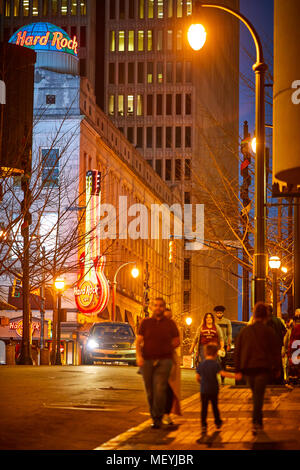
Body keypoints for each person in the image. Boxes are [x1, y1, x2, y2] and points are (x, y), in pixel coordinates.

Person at [235, 302, 282, 435]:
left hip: (248, 368)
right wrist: (277, 368)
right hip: (262, 368)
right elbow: (275, 352)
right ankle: (257, 421)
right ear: (266, 315)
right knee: (258, 395)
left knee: (256, 393)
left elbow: (238, 350)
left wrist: (238, 369)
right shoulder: (269, 332)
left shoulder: (245, 331)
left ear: (254, 314)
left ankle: (257, 420)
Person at [136, 297, 180, 429]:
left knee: (160, 388)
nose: (158, 308)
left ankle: (158, 418)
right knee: (150, 391)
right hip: (147, 360)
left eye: (161, 306)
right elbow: (138, 341)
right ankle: (154, 416)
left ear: (164, 307)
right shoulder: (145, 323)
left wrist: (167, 347)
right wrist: (138, 356)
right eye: (155, 305)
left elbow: (177, 340)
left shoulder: (170, 324)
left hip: (164, 360)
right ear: (151, 307)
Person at [196, 343, 236, 434]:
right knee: (215, 407)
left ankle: (203, 425)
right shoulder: (215, 364)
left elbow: (197, 377)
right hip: (214, 390)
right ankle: (217, 422)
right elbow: (223, 373)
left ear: (205, 353)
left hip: (204, 390)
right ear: (215, 354)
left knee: (204, 408)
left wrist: (201, 383)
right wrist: (234, 376)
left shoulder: (201, 364)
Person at [163, 308, 182, 425]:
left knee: (170, 387)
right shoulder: (154, 326)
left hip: (169, 360)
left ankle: (166, 413)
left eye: (169, 317)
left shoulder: (173, 327)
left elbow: (177, 341)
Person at [266, 304, 287, 384]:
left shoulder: (267, 321)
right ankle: (280, 379)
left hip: (270, 345)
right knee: (278, 361)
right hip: (278, 344)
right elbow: (284, 330)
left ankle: (272, 379)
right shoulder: (278, 320)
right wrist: (280, 337)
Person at [214, 306, 232, 384]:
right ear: (215, 313)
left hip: (223, 345)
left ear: (223, 313)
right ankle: (214, 378)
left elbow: (229, 333)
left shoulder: (227, 321)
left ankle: (222, 379)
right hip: (215, 345)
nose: (219, 314)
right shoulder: (214, 322)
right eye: (217, 313)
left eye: (220, 313)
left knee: (223, 363)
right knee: (214, 361)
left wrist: (229, 344)